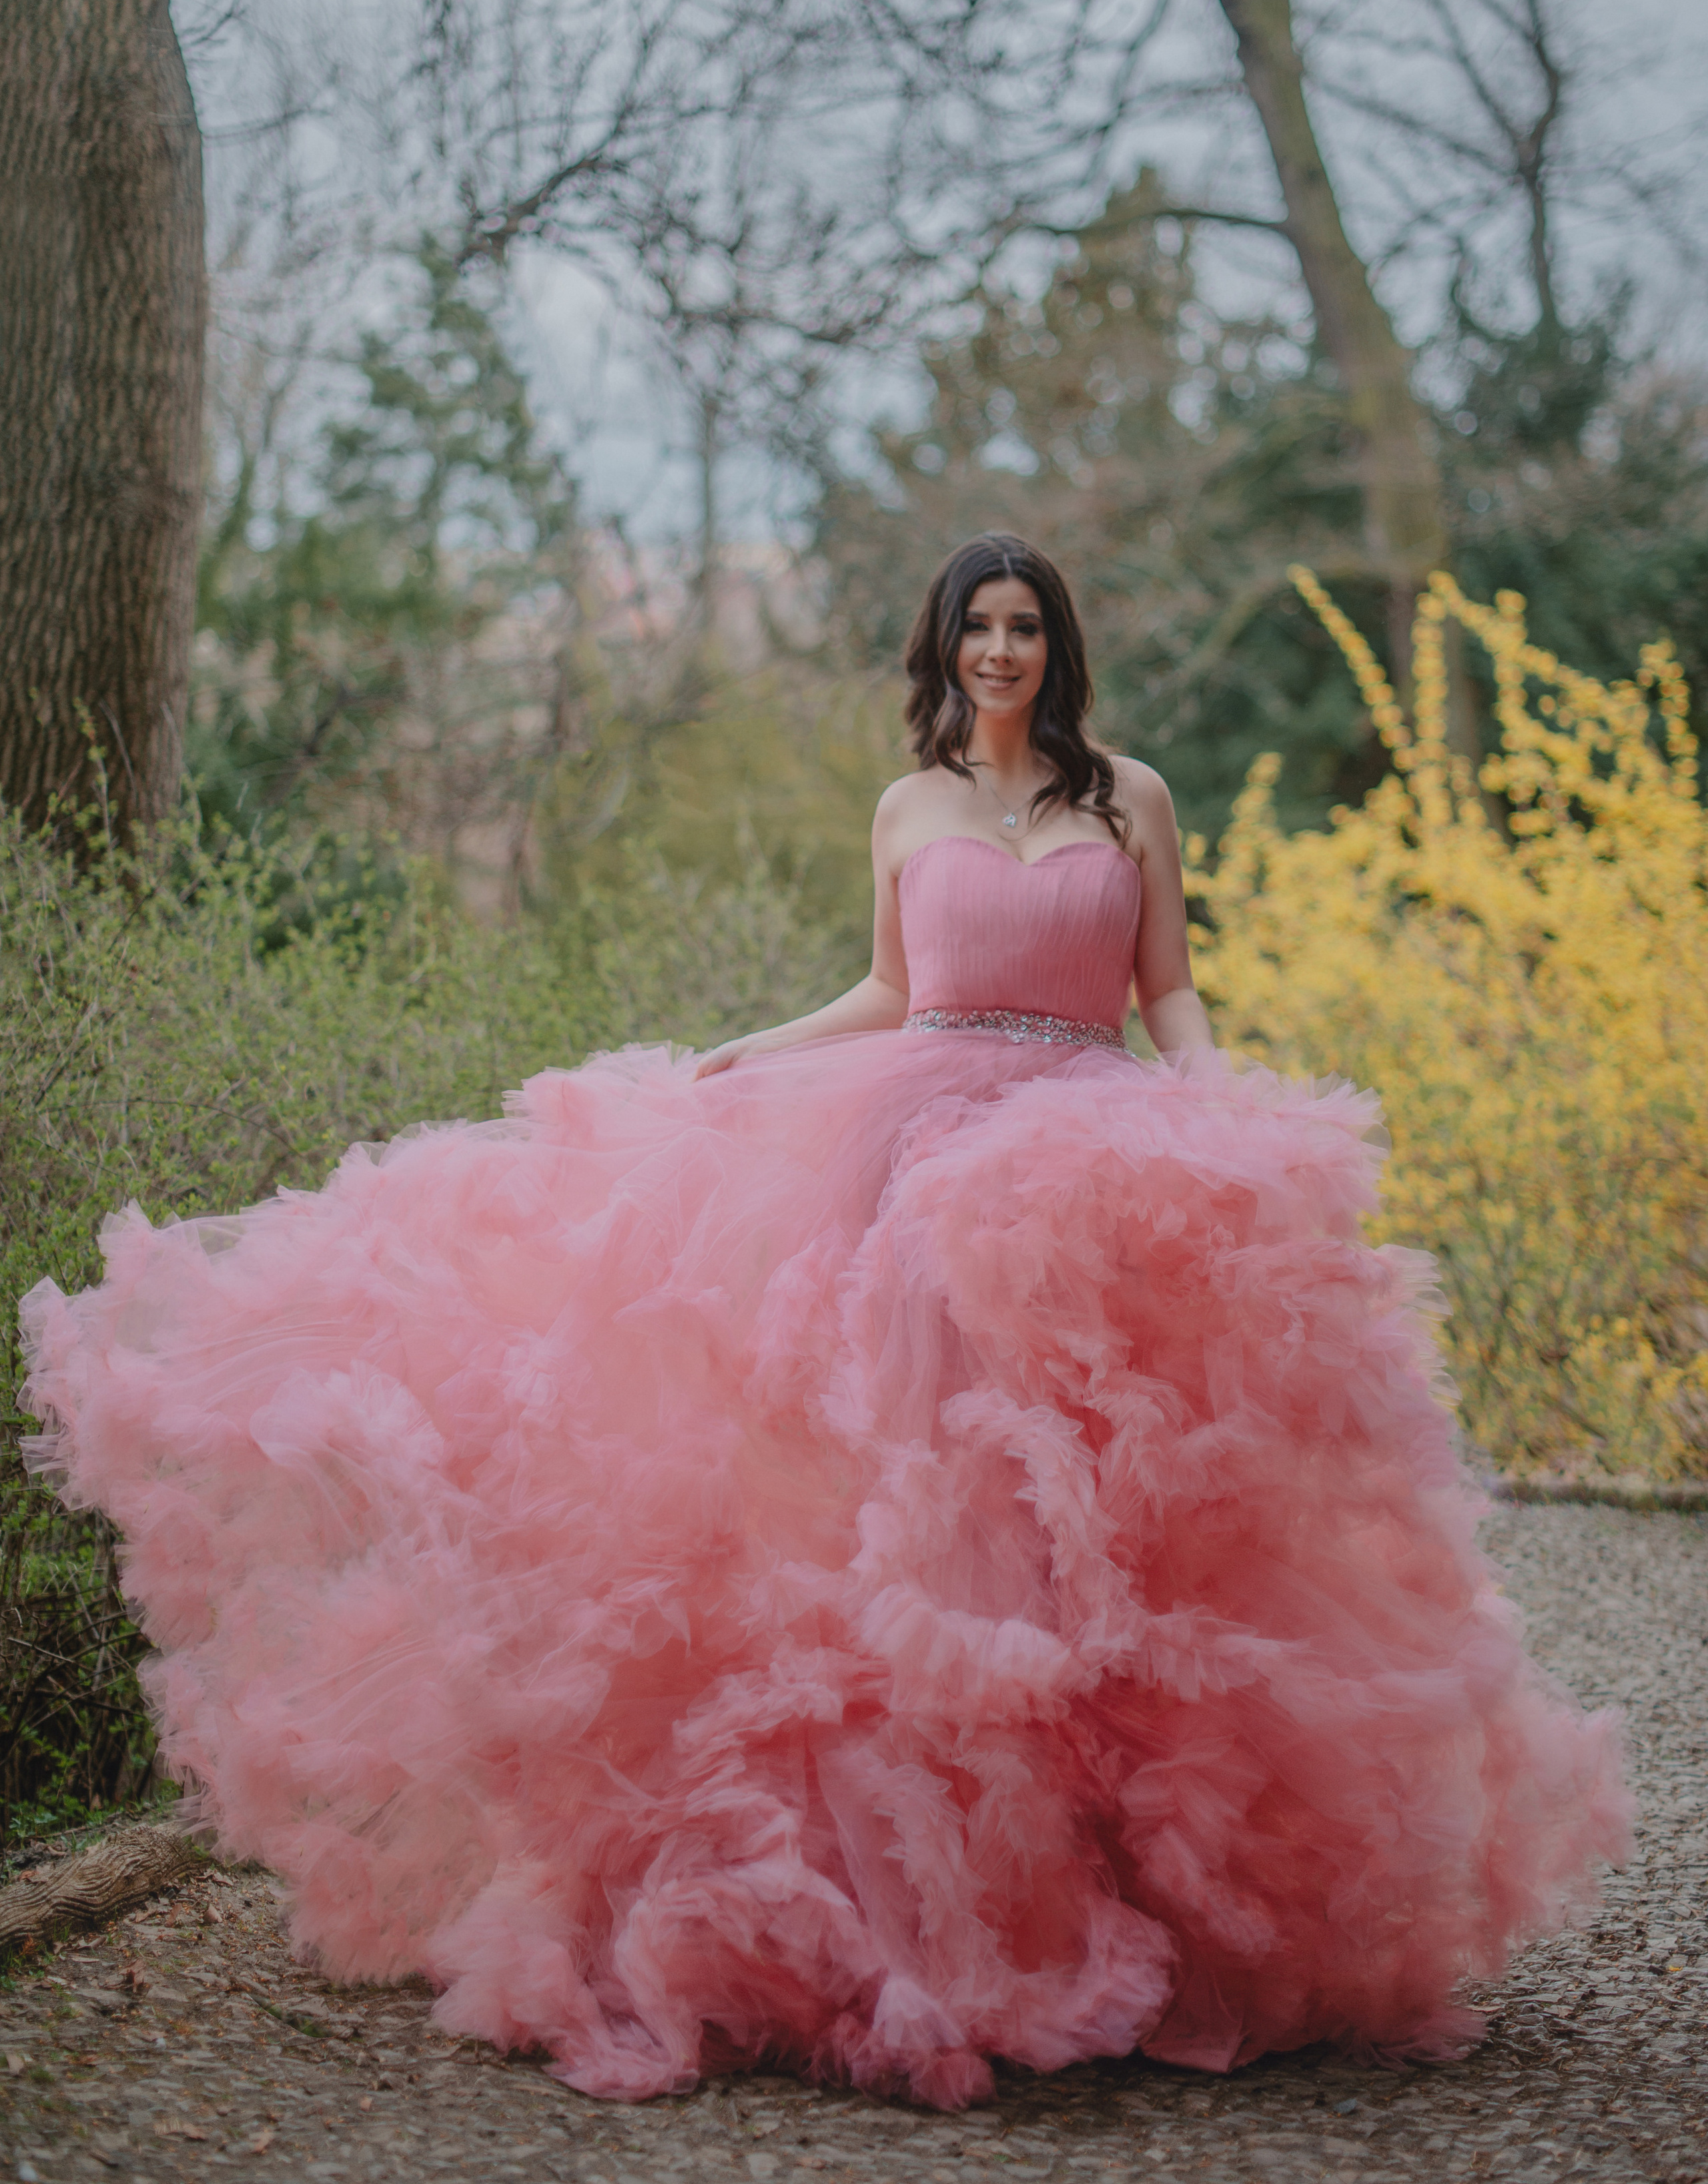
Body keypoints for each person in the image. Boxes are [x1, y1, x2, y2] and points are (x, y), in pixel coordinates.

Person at [23, 532, 1627, 2111]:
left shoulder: (1124, 795)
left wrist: (1218, 1125)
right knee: (909, 1495)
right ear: (940, 654)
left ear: (1057, 647)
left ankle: (1126, 1881)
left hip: (1082, 1161)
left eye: (1023, 626)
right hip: (914, 1144)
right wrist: (760, 1045)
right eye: (974, 629)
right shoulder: (906, 802)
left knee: (1107, 1516)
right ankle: (932, 1896)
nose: (999, 651)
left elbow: (1166, 993)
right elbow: (887, 988)